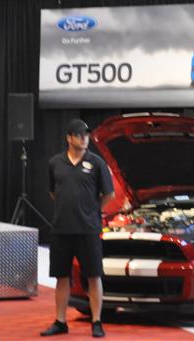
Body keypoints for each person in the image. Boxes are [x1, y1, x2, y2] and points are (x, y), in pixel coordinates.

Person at [41, 119, 114, 338]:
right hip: (61, 229)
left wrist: (92, 210)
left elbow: (109, 194)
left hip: (88, 229)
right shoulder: (55, 162)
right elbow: (53, 192)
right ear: (69, 138)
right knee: (61, 276)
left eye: (86, 135)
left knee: (94, 275)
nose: (84, 138)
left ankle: (97, 321)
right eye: (79, 135)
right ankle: (60, 321)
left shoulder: (97, 163)